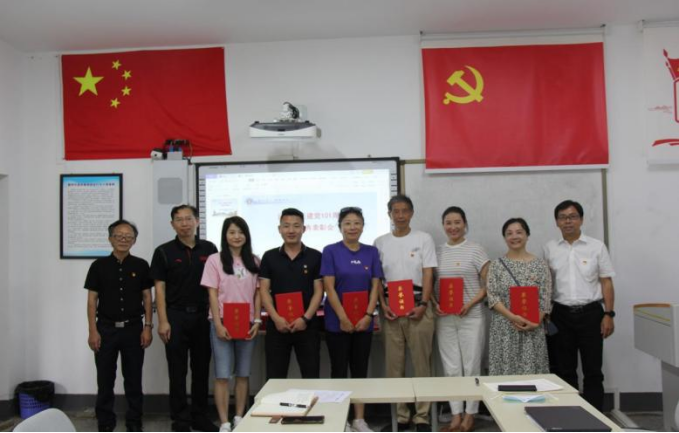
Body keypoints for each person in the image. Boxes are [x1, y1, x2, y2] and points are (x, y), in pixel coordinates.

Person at [150, 205, 218, 432]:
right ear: (172, 224)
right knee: (177, 370)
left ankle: (200, 416)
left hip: (203, 316)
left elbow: (217, 283)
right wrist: (163, 320)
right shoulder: (163, 251)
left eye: (189, 218)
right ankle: (180, 419)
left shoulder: (210, 248)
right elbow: (159, 289)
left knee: (201, 369)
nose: (185, 223)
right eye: (179, 220)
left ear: (197, 221)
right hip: (175, 316)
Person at [543, 200, 616, 411]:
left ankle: (595, 416)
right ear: (557, 222)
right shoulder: (549, 248)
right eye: (563, 217)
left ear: (581, 220)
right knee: (565, 370)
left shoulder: (596, 247)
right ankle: (570, 414)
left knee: (593, 370)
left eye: (573, 216)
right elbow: (546, 283)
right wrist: (546, 313)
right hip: (560, 314)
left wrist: (609, 314)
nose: (568, 221)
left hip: (591, 314)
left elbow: (606, 282)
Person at [373, 195, 437, 433]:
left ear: (411, 213)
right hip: (390, 309)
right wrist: (382, 305)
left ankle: (422, 417)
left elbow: (429, 273)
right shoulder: (380, 242)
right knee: (394, 366)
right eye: (395, 211)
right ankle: (400, 416)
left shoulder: (423, 239)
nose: (400, 215)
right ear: (389, 214)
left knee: (422, 364)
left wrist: (424, 303)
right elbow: (377, 279)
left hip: (419, 306)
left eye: (404, 211)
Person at [85, 220, 153, 433]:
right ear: (110, 239)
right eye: (119, 235)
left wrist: (148, 327)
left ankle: (134, 421)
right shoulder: (98, 266)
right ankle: (105, 421)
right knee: (105, 378)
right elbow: (92, 300)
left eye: (128, 236)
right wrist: (93, 331)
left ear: (134, 240)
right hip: (105, 329)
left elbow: (147, 297)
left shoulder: (141, 265)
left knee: (133, 378)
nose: (124, 239)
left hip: (134, 329)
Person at [321, 207, 382, 433]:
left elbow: (375, 286)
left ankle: (359, 419)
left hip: (364, 322)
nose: (352, 227)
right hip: (337, 322)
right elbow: (329, 287)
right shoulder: (330, 251)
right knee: (338, 370)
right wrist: (343, 317)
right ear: (340, 227)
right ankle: (341, 419)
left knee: (360, 370)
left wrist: (368, 315)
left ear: (363, 226)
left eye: (356, 223)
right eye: (347, 223)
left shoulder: (371, 252)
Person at [201, 217, 262, 433]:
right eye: (232, 232)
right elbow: (212, 293)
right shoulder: (214, 260)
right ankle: (224, 422)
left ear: (246, 235)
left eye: (240, 232)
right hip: (222, 323)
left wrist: (257, 320)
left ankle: (239, 417)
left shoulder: (254, 261)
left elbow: (258, 294)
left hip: (247, 324)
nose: (237, 236)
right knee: (222, 375)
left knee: (243, 374)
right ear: (225, 236)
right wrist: (218, 324)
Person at [434, 207, 489, 433]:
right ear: (443, 225)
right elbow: (430, 283)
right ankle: (455, 415)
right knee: (451, 367)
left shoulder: (476, 250)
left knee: (471, 365)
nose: (453, 227)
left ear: (465, 224)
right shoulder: (437, 252)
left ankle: (470, 415)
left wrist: (471, 303)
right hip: (445, 318)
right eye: (448, 222)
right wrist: (434, 303)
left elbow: (488, 283)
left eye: (457, 222)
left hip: (471, 317)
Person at [259, 208, 323, 379]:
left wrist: (305, 319)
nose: (291, 230)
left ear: (304, 229)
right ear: (279, 229)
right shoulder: (269, 256)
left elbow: (319, 291)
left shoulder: (316, 256)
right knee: (275, 378)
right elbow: (264, 290)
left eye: (296, 226)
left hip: (307, 326)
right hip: (277, 326)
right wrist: (276, 318)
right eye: (286, 226)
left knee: (311, 376)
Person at [487, 218, 552, 376]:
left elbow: (545, 297)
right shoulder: (496, 265)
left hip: (532, 328)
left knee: (531, 375)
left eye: (519, 232)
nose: (514, 236)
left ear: (527, 235)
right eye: (509, 233)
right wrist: (512, 317)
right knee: (505, 374)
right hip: (504, 328)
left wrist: (535, 322)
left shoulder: (540, 265)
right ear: (504, 238)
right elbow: (492, 296)